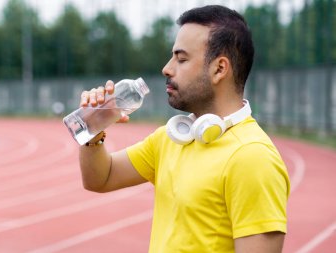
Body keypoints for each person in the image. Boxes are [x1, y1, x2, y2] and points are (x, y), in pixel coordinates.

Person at [78, 5, 290, 253]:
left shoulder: (252, 157)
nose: (167, 68)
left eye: (181, 58)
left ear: (220, 69)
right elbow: (100, 178)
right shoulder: (172, 139)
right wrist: (93, 128)